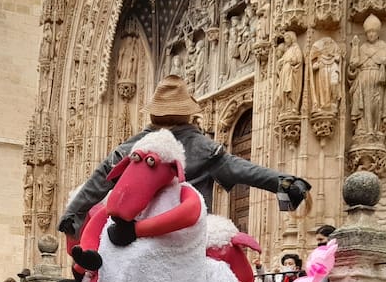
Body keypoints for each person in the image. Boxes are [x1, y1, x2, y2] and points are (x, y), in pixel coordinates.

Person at [58, 75, 310, 239]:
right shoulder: (201, 147)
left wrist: (73, 215)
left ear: (154, 115)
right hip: (186, 240)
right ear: (187, 114)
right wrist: (284, 182)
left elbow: (101, 178)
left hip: (135, 239)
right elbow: (243, 169)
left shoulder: (135, 146)